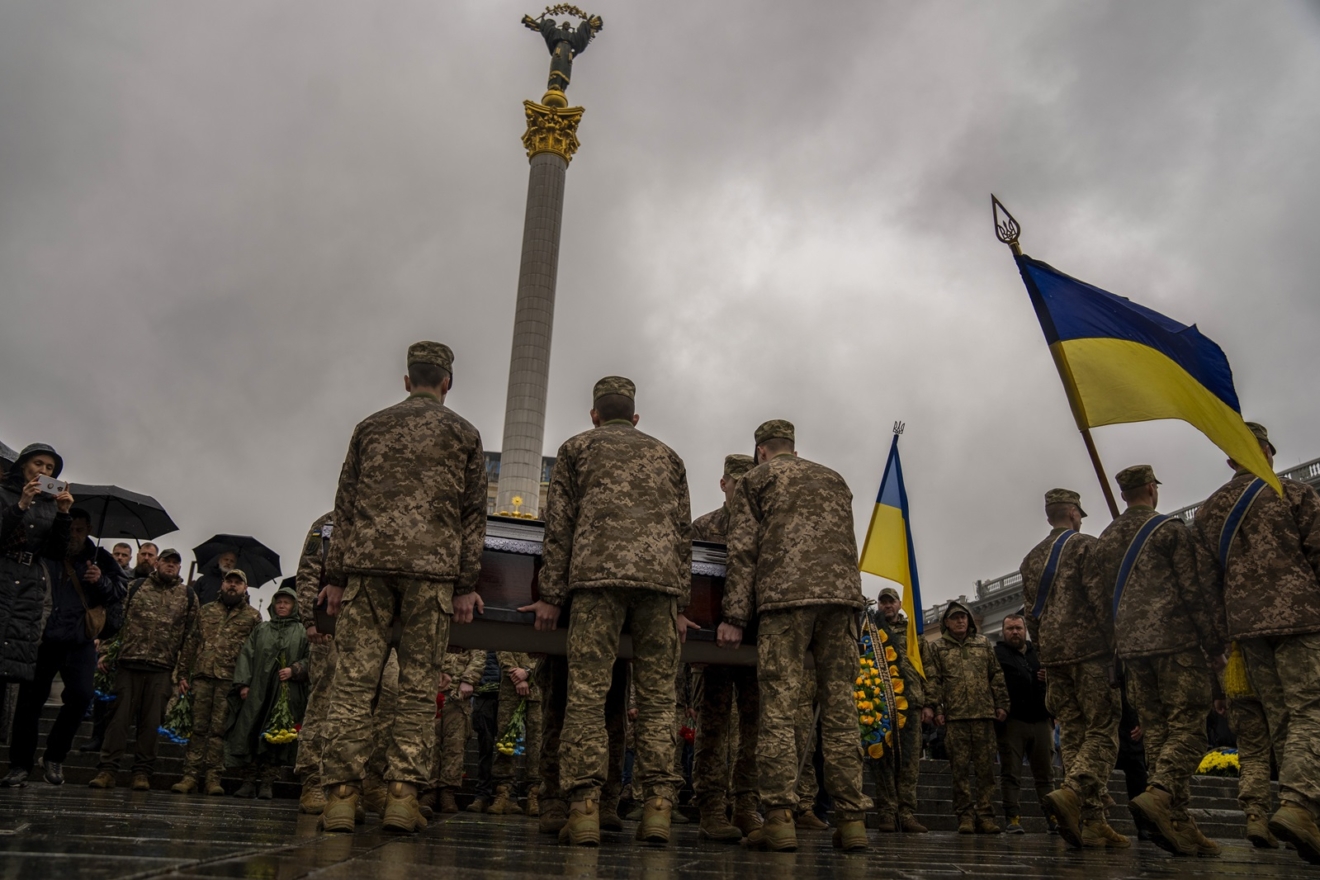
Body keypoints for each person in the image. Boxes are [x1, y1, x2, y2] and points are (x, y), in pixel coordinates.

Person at [318, 341, 486, 834]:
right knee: (417, 687)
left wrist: (334, 577)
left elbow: (343, 507)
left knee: (352, 684)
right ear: (447, 383)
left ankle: (342, 799)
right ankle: (401, 797)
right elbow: (473, 517)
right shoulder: (464, 434)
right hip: (431, 574)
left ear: (407, 379)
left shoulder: (370, 427)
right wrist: (465, 584)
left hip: (367, 571)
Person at [519, 376, 694, 847]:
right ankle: (658, 807)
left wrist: (552, 595)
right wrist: (682, 602)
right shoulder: (668, 456)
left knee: (585, 699)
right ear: (635, 416)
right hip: (658, 591)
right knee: (659, 702)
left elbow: (559, 530)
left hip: (595, 586)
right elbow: (683, 537)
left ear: (594, 413)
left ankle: (584, 809)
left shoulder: (576, 448)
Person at [717, 419, 873, 853]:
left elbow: (743, 550)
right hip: (841, 601)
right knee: (841, 711)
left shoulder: (757, 479)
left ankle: (780, 818)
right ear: (792, 446)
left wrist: (733, 614)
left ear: (761, 451)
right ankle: (852, 820)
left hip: (785, 602)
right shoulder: (834, 478)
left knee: (779, 711)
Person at [1192, 422, 1320, 864]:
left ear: (1230, 459)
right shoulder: (1295, 494)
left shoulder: (1209, 513)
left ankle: (1293, 811)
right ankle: (1300, 805)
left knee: (1282, 719)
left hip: (1244, 630)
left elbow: (1204, 587)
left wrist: (1218, 642)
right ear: (1268, 453)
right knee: (1311, 710)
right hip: (1301, 619)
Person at [1089, 464, 1226, 857]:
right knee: (1190, 728)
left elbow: (1101, 604)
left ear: (1123, 494)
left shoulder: (1104, 539)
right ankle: (1162, 793)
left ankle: (1181, 823)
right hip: (1175, 643)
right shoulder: (1170, 530)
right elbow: (1193, 587)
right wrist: (1213, 643)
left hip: (1131, 651)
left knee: (1159, 734)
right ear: (1151, 488)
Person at [1020, 488, 1123, 848]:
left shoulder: (1031, 559)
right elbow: (1100, 599)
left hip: (1053, 656)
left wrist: (1045, 652)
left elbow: (1030, 615)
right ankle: (1073, 791)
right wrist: (1115, 643)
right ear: (1074, 513)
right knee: (1103, 727)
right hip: (1090, 652)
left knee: (1074, 734)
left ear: (1050, 516)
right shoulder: (1085, 546)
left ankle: (1092, 820)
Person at [4, 508, 124, 787]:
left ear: (88, 529)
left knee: (81, 697)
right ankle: (20, 765)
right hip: (43, 638)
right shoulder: (46, 550)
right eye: (70, 528)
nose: (74, 535)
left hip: (79, 640)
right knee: (29, 704)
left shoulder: (101, 558)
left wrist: (101, 581)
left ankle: (55, 757)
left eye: (80, 529)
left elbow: (119, 590)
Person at [690, 454, 762, 842]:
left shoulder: (766, 526)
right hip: (712, 643)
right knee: (713, 727)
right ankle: (712, 807)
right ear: (724, 484)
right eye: (738, 483)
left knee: (755, 728)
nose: (744, 489)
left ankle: (747, 805)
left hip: (754, 643)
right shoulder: (704, 526)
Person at [89, 548, 199, 790]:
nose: (170, 566)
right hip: (128, 663)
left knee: (151, 725)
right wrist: (106, 651)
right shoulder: (135, 587)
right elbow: (116, 619)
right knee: (118, 721)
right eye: (166, 561)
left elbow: (190, 638)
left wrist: (183, 674)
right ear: (157, 563)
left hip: (162, 669)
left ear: (179, 568)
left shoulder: (188, 596)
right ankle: (107, 770)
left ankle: (142, 773)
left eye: (175, 563)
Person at [170, 569, 261, 796]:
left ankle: (213, 778)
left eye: (237, 583)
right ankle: (189, 776)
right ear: (222, 585)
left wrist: (246, 682)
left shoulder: (253, 617)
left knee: (220, 731)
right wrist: (182, 675)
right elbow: (191, 643)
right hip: (201, 677)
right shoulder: (206, 611)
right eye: (228, 582)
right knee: (198, 728)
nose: (232, 586)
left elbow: (255, 652)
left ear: (245, 588)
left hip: (230, 680)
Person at [925, 601, 1009, 835]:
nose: (961, 621)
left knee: (986, 771)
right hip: (956, 718)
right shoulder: (938, 648)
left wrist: (1002, 704)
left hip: (984, 716)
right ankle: (965, 816)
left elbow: (996, 676)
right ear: (947, 623)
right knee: (959, 771)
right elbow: (934, 680)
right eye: (955, 618)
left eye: (964, 617)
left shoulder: (982, 644)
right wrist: (937, 709)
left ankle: (986, 815)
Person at [223, 583, 310, 799]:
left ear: (294, 606)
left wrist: (295, 670)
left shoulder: (301, 632)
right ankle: (249, 781)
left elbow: (312, 658)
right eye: (278, 602)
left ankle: (268, 783)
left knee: (277, 736)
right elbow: (247, 655)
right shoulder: (261, 629)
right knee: (252, 732)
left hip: (285, 694)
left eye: (286, 603)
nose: (281, 606)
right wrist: (243, 684)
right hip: (257, 694)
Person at [0, 444, 74, 684]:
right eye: (38, 463)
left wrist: (63, 514)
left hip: (30, 584)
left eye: (50, 467)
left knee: (12, 661)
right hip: (3, 572)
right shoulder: (3, 493)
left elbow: (55, 552)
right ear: (24, 464)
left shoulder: (51, 504)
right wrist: (21, 505)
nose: (43, 470)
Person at [871, 587, 927, 834]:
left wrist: (930, 703)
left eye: (891, 601)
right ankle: (886, 811)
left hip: (911, 703)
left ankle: (906, 812)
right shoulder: (870, 632)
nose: (887, 606)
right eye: (883, 602)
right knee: (882, 759)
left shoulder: (913, 634)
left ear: (899, 603)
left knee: (909, 762)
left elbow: (928, 670)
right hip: (880, 705)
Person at [993, 613, 1053, 833]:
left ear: (1025, 630)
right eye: (1010, 629)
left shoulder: (1038, 653)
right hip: (1012, 721)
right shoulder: (998, 655)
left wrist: (1050, 679)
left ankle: (1053, 817)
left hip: (1041, 719)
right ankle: (1013, 818)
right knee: (1011, 773)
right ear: (1003, 631)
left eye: (1018, 628)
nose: (1015, 632)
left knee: (1046, 774)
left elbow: (1058, 678)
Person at [293, 511, 333, 813]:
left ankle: (361, 783)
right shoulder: (327, 524)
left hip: (376, 629)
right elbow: (307, 573)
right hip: (329, 627)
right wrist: (311, 619)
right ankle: (313, 780)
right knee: (323, 700)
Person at [426, 646, 484, 813]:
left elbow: (479, 654)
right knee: (431, 744)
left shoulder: (471, 629)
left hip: (457, 697)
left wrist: (469, 679)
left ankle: (447, 792)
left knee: (455, 746)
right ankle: (429, 790)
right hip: (432, 693)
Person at [488, 652, 542, 816]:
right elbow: (503, 647)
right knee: (509, 741)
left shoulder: (547, 626)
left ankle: (534, 794)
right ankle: (504, 793)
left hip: (538, 691)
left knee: (537, 745)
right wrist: (515, 673)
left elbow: (547, 651)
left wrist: (528, 671)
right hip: (510, 691)